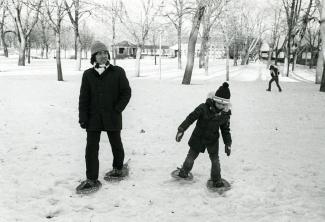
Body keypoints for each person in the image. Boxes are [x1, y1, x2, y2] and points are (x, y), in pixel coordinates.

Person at [76, 41, 131, 193]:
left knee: (116, 143)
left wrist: (118, 109)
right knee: (91, 149)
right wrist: (83, 117)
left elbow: (126, 92)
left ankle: (118, 168)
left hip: (112, 116)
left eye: (105, 53)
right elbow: (83, 98)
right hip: (93, 118)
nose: (103, 56)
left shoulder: (118, 71)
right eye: (99, 53)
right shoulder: (88, 74)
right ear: (94, 56)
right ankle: (92, 178)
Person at [175, 82, 232, 188]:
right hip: (199, 137)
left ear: (226, 105)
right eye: (218, 103)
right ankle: (184, 172)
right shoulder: (203, 108)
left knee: (215, 160)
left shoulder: (224, 115)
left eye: (223, 104)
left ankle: (216, 180)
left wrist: (228, 143)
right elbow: (191, 118)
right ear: (214, 99)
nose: (220, 106)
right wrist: (181, 129)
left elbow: (225, 130)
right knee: (191, 155)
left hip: (212, 140)